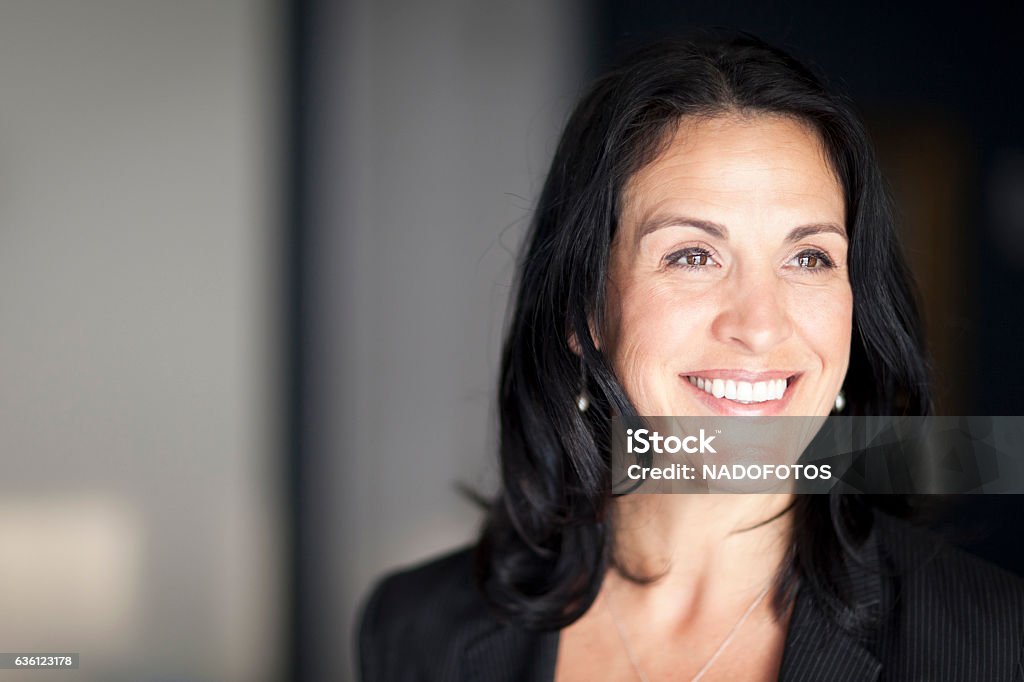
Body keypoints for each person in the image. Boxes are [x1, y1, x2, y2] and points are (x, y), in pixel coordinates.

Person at [357, 33, 1024, 681]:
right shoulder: (417, 628)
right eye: (692, 256)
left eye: (808, 257)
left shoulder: (994, 641)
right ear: (584, 314)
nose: (760, 326)